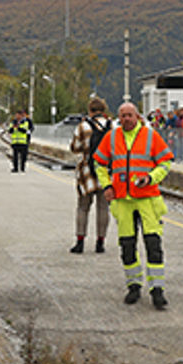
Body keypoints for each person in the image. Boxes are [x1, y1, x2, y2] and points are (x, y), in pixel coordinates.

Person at [93, 101, 173, 309]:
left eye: (130, 115)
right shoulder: (111, 137)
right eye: (123, 115)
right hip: (123, 201)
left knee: (153, 245)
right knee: (127, 246)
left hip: (147, 199)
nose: (126, 119)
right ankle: (134, 286)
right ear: (118, 118)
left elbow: (165, 162)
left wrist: (151, 177)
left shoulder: (150, 135)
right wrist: (107, 186)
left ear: (138, 116)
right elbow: (99, 164)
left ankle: (157, 290)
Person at [69, 98, 113, 254]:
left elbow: (75, 148)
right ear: (104, 109)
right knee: (103, 209)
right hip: (106, 172)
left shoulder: (84, 126)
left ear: (90, 110)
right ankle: (100, 243)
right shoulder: (112, 126)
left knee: (83, 208)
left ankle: (80, 242)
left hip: (87, 172)